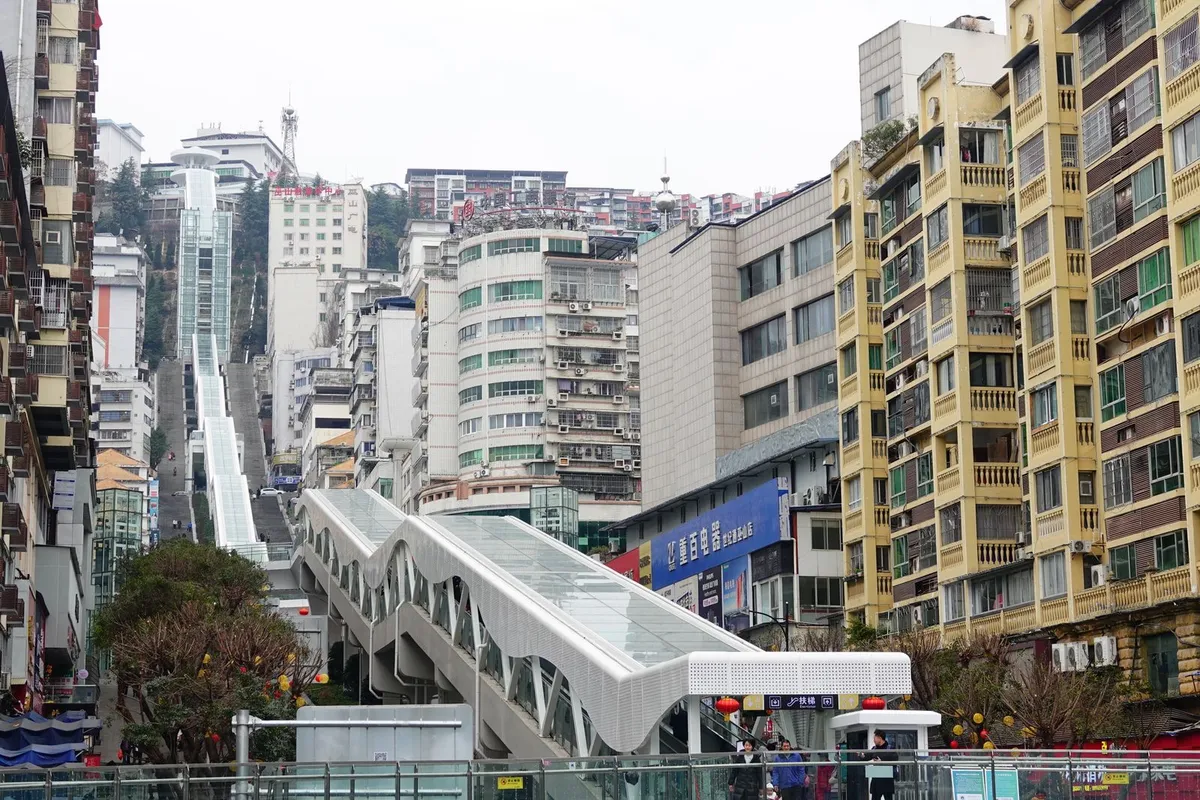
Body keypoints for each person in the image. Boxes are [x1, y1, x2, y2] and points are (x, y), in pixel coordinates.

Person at [865, 732, 897, 800]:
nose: (874, 740)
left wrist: (882, 761)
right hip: (877, 778)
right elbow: (867, 756)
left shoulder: (890, 748)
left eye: (875, 738)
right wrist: (861, 755)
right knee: (875, 797)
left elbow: (895, 760)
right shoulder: (874, 748)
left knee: (888, 797)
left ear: (880, 738)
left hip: (887, 778)